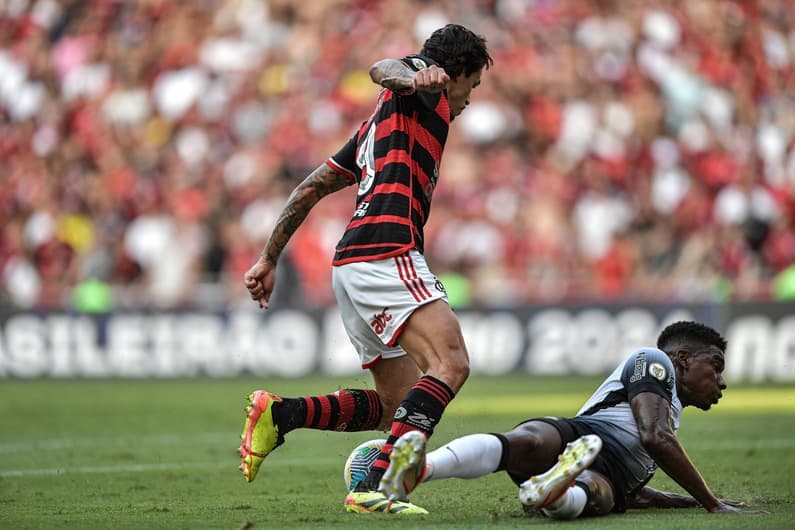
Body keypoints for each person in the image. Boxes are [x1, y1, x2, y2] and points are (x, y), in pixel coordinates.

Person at [238, 23, 493, 515]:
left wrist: (270, 256)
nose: (469, 100)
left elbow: (310, 188)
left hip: (350, 264)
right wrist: (413, 76)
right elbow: (384, 69)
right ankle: (375, 484)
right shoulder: (430, 96)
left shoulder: (373, 129)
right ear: (456, 73)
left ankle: (280, 414)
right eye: (473, 85)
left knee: (396, 404)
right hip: (387, 251)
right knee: (452, 362)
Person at [378, 320, 766, 517]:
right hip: (585, 436)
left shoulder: (671, 409)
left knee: (553, 461)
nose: (721, 381)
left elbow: (637, 493)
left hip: (597, 464)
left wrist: (690, 503)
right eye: (715, 367)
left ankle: (548, 489)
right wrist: (712, 504)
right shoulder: (654, 360)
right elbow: (654, 437)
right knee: (575, 474)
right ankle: (554, 491)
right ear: (683, 359)